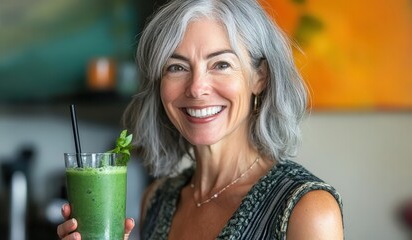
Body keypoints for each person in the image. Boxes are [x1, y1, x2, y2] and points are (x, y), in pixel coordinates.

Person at [58, 0, 344, 239]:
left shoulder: (308, 210)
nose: (196, 87)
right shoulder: (155, 200)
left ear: (260, 77)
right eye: (177, 66)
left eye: (221, 64)